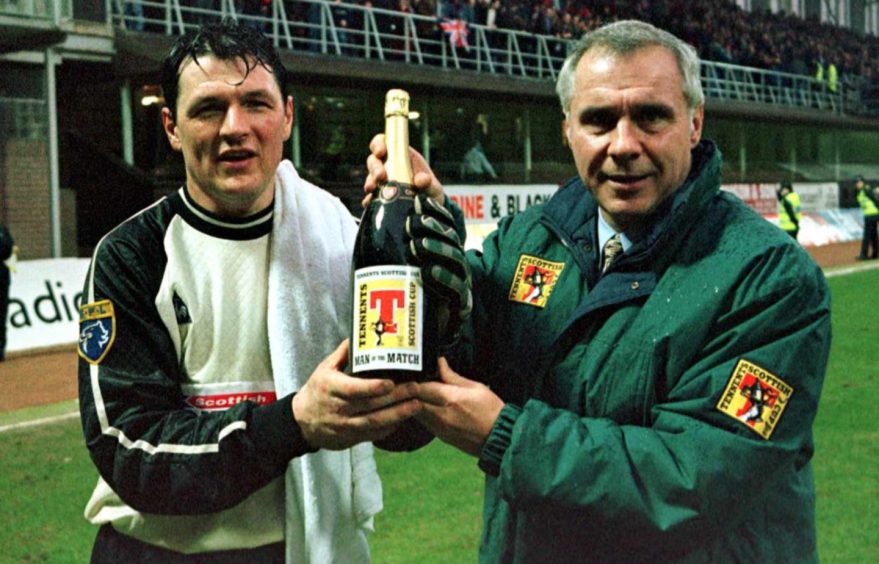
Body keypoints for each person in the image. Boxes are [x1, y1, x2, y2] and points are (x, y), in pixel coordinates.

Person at [365, 19, 831, 562]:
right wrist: (417, 258)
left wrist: (507, 436)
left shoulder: (770, 277)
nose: (623, 144)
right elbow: (414, 398)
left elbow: (690, 483)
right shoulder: (524, 241)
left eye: (651, 117)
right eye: (599, 120)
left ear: (695, 123)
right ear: (568, 129)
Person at [78, 20, 421, 562]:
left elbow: (405, 425)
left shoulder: (343, 239)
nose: (234, 128)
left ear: (286, 115)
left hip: (305, 547)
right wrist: (293, 424)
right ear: (171, 125)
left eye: (256, 104)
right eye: (208, 108)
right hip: (158, 552)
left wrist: (434, 284)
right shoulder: (131, 255)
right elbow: (129, 451)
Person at [0, 222, 16, 361]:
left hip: (2, 278)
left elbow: (8, 248)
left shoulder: (3, 230)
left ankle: (1, 350)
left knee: (1, 316)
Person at [855, 175, 879, 260]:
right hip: (871, 215)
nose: (858, 184)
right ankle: (875, 254)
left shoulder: (866, 190)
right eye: (857, 182)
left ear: (863, 182)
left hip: (871, 215)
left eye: (859, 182)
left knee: (867, 235)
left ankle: (864, 254)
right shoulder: (860, 192)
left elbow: (875, 200)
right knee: (873, 235)